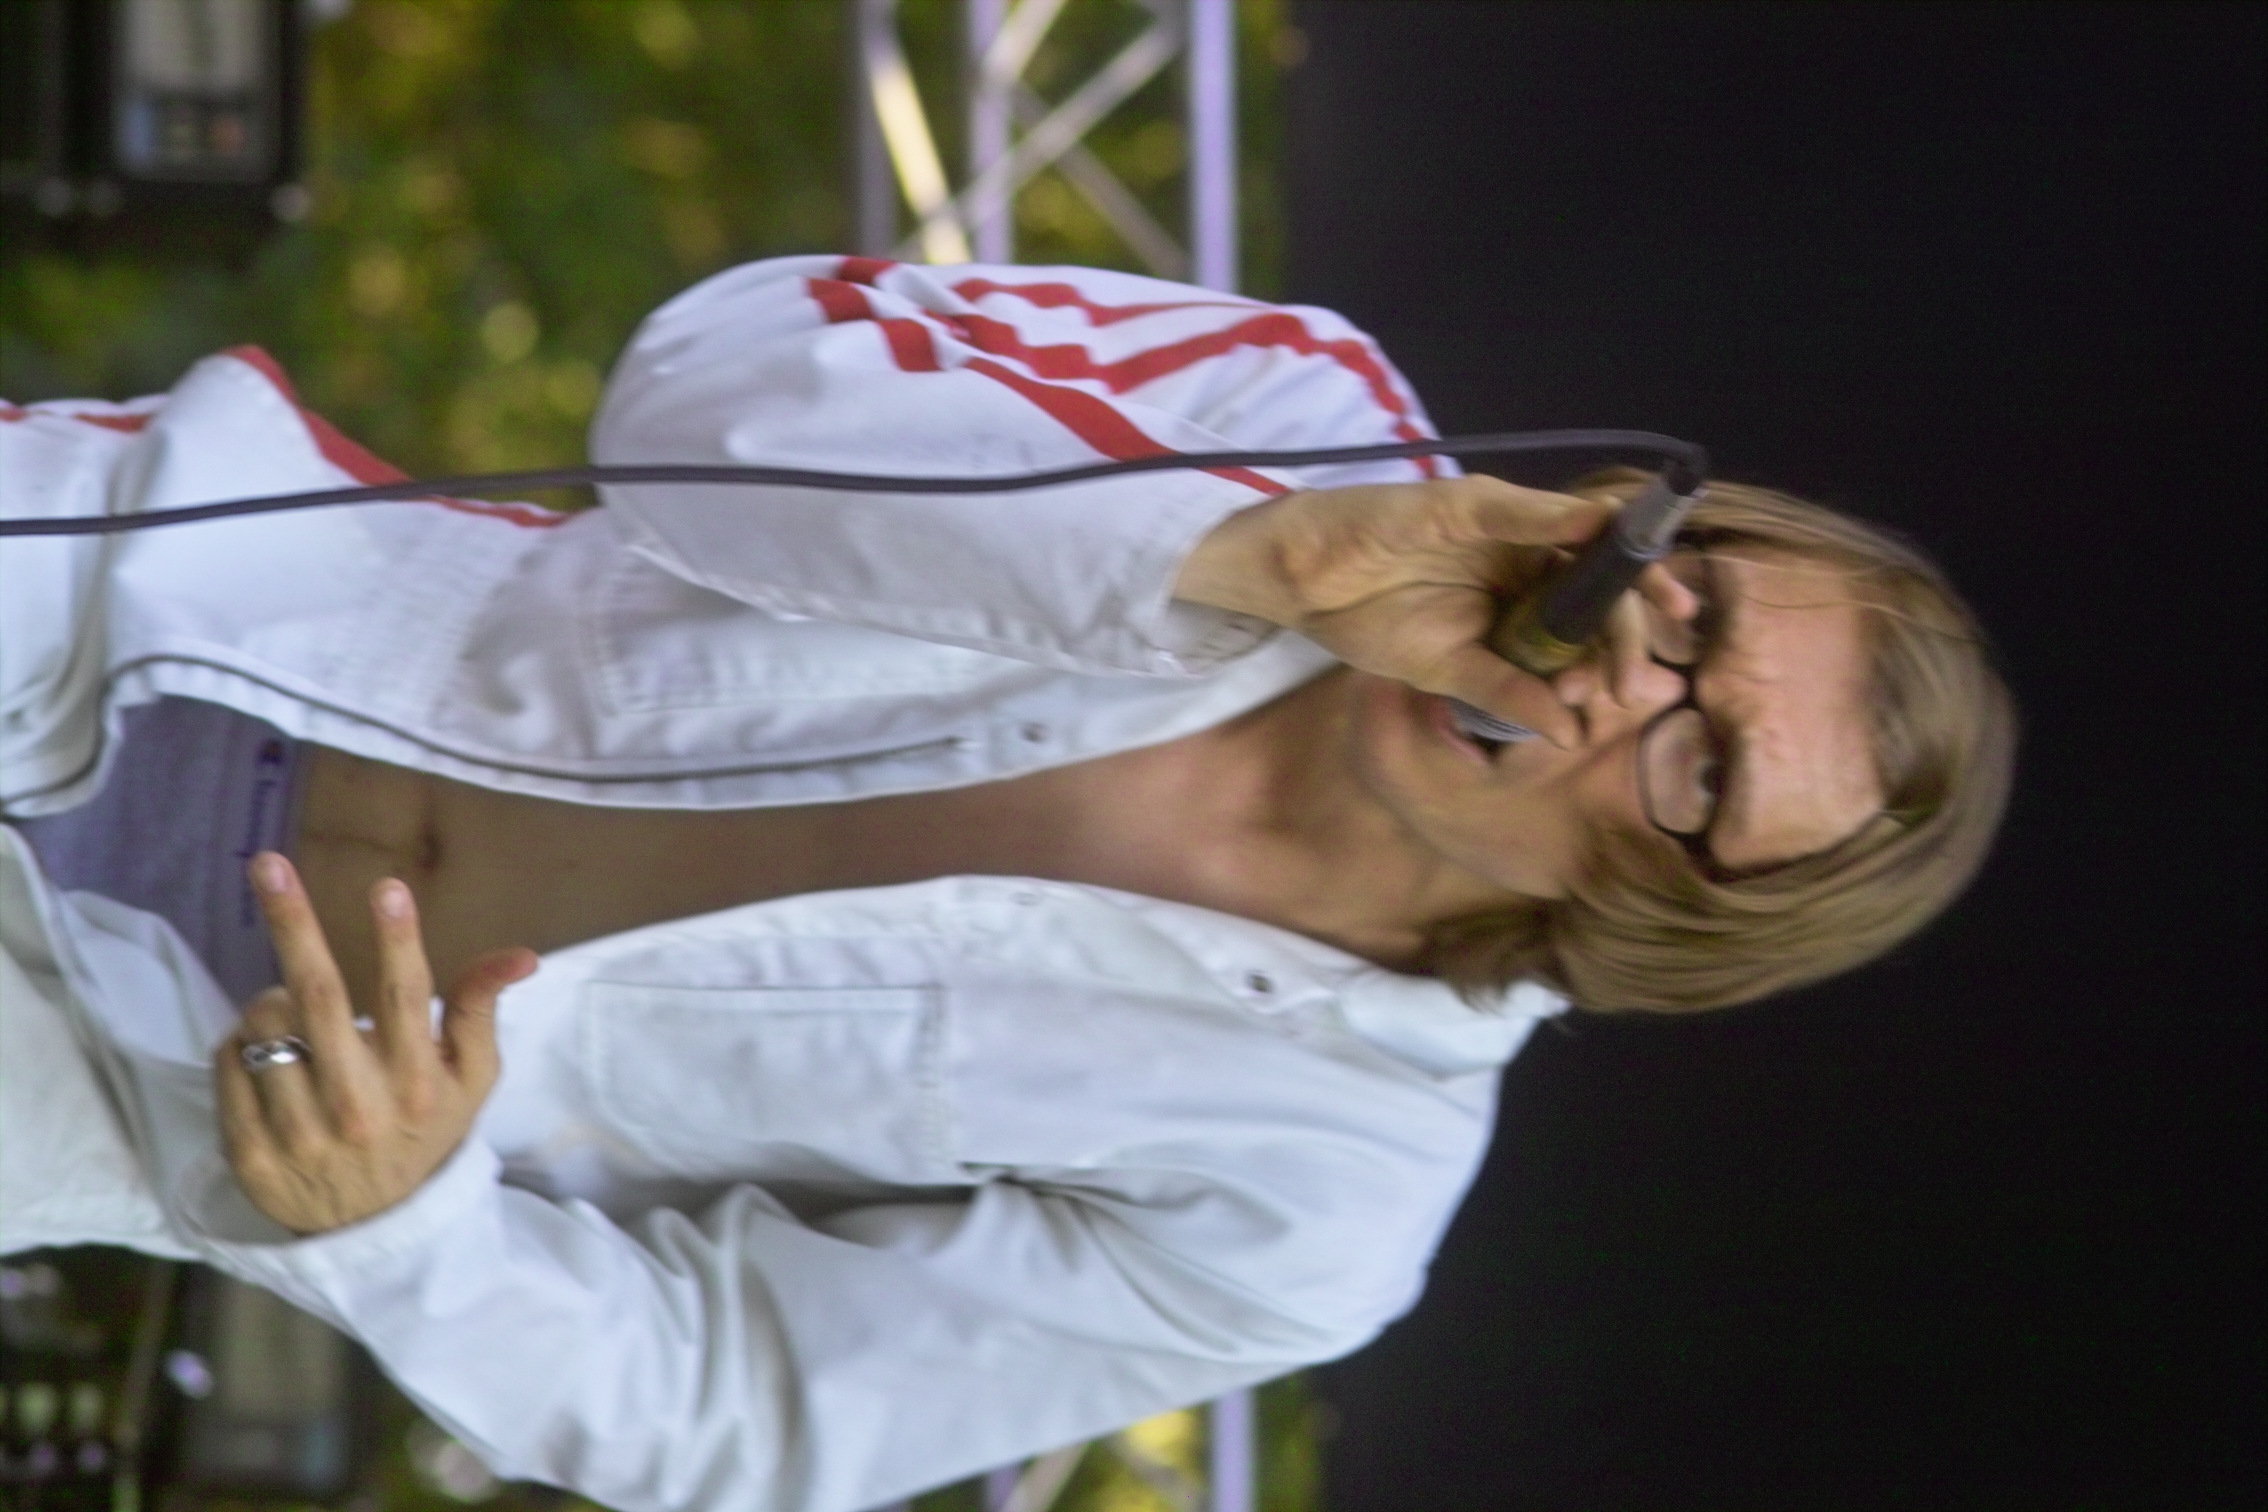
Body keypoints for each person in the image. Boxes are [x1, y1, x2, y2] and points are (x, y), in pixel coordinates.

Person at [0, 256, 2014, 1511]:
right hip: (126, 595)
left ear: (1680, 917)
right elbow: (702, 390)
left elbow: (738, 1404)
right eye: (1683, 609)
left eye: (1698, 762)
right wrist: (1253, 552)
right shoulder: (1303, 418)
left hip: (153, 1071)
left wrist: (400, 1229)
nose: (1617, 683)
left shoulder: (1323, 1203)